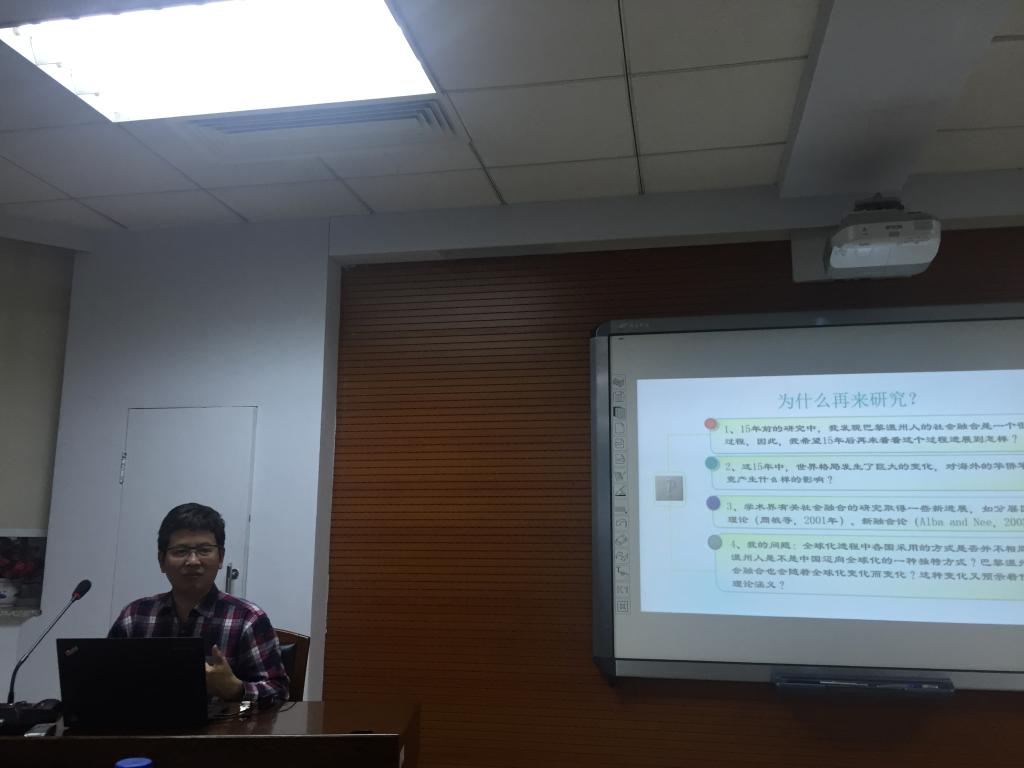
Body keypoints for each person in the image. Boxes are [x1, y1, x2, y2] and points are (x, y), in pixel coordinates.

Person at [109, 502, 289, 703]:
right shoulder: (134, 617)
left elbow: (279, 693)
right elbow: (104, 682)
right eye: (180, 551)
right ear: (161, 561)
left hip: (222, 724)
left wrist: (235, 690)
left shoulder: (248, 619)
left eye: (204, 550)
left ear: (220, 558)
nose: (193, 561)